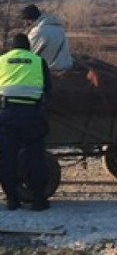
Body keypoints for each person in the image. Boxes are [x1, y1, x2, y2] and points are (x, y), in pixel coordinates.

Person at [0, 33, 52, 211]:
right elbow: (48, 91)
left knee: (7, 158)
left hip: (7, 115)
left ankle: (12, 200)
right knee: (35, 158)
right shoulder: (38, 61)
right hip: (31, 115)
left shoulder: (2, 60)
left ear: (12, 48)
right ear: (28, 47)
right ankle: (38, 200)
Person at [21, 4, 73, 71]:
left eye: (26, 20)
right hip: (66, 68)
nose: (26, 24)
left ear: (29, 19)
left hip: (47, 70)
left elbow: (28, 54)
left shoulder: (38, 31)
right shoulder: (59, 28)